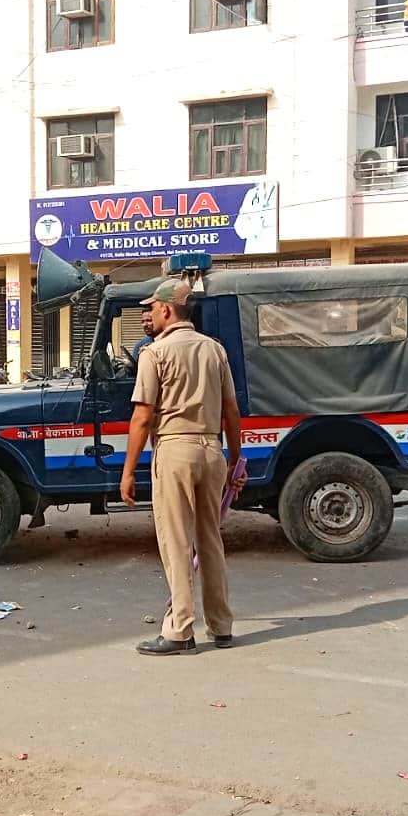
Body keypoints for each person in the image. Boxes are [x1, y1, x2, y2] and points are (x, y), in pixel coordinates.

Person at [120, 278, 245, 657]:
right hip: (212, 450)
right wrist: (236, 459)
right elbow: (231, 411)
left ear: (166, 310)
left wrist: (127, 472)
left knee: (176, 541)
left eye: (151, 309)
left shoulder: (154, 354)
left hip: (175, 449)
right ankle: (221, 626)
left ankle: (179, 630)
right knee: (210, 539)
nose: (148, 315)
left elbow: (142, 417)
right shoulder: (214, 350)